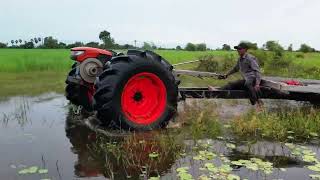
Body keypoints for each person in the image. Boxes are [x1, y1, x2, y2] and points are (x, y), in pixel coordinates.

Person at [218, 42, 263, 109]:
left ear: (245, 49)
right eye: (237, 49)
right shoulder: (240, 59)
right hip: (246, 78)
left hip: (252, 78)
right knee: (232, 84)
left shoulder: (250, 58)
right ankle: (217, 90)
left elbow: (257, 71)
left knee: (247, 84)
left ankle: (258, 103)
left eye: (240, 49)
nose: (238, 50)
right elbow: (235, 69)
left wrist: (257, 84)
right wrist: (226, 75)